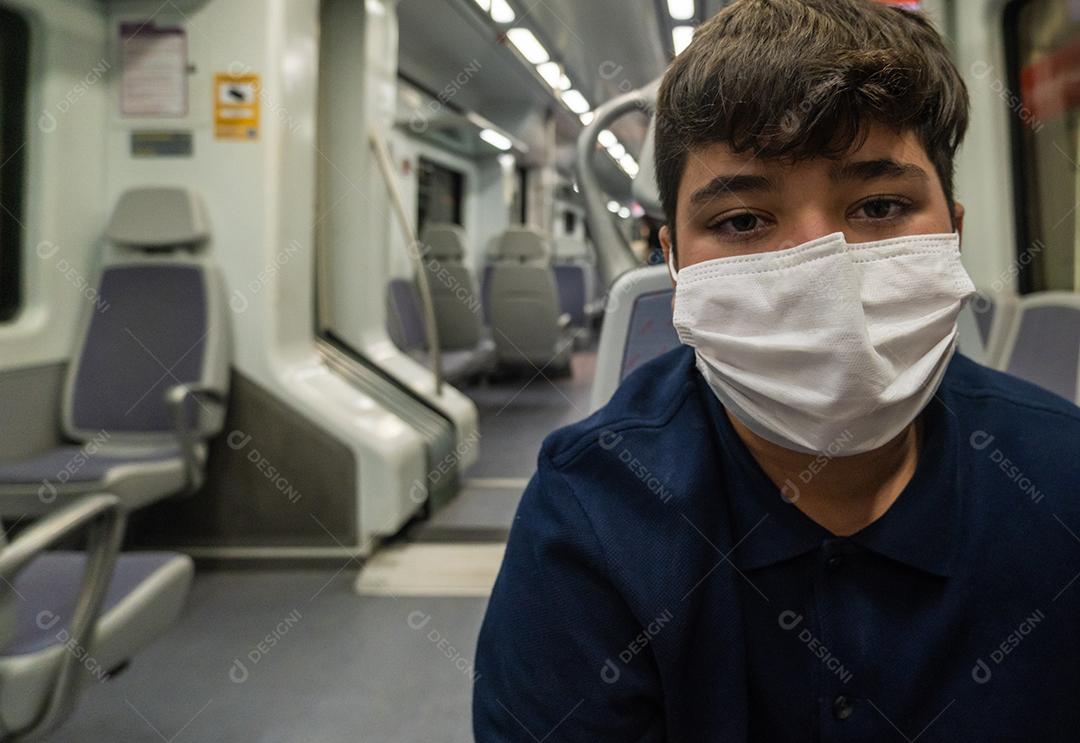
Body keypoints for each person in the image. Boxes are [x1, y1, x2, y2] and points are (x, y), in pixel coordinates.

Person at [473, 0, 1080, 740]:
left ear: (952, 233)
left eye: (881, 205)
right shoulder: (591, 517)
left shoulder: (1062, 477)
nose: (820, 273)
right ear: (672, 262)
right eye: (742, 221)